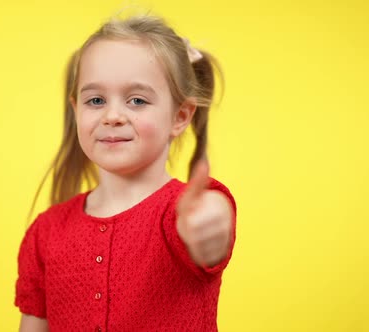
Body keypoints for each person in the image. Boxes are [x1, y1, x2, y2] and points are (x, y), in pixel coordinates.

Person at [15, 14, 237, 332]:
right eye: (96, 100)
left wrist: (209, 227)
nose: (113, 115)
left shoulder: (187, 211)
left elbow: (211, 225)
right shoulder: (45, 232)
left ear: (180, 116)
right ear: (76, 109)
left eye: (136, 100)